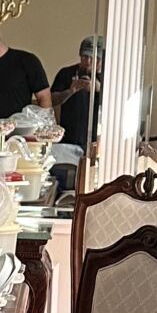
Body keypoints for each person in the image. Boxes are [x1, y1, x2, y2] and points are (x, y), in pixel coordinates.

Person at [49, 36, 103, 197]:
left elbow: (118, 106)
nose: (88, 62)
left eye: (93, 58)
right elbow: (51, 100)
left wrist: (99, 90)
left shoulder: (109, 78)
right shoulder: (66, 74)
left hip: (97, 142)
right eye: (84, 57)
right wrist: (71, 91)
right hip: (68, 139)